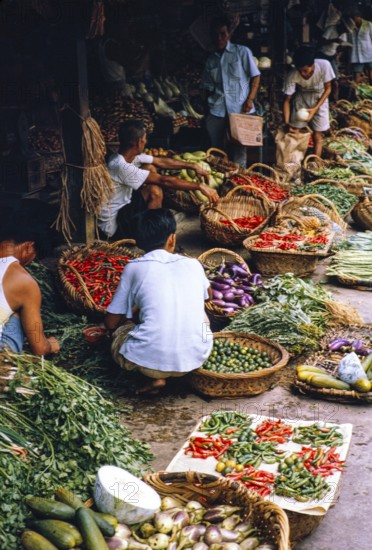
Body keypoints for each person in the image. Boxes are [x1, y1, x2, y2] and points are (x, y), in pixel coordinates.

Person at [104, 208, 213, 395]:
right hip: (198, 356)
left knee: (122, 329)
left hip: (147, 362)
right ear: (172, 239)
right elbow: (208, 296)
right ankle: (182, 366)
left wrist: (128, 319)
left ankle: (154, 376)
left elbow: (111, 322)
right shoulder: (193, 264)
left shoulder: (134, 268)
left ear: (138, 243)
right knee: (204, 320)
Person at [97, 120, 218, 239]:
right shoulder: (120, 166)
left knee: (149, 167)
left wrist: (192, 165)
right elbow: (163, 180)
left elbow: (160, 161)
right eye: (145, 138)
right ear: (139, 142)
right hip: (114, 226)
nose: (146, 141)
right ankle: (154, 235)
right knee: (154, 190)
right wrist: (199, 186)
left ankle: (150, 221)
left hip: (124, 209)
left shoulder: (125, 156)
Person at [200, 16, 261, 168]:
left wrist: (250, 100)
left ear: (229, 34)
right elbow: (207, 86)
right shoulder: (211, 60)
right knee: (215, 147)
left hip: (240, 107)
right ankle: (219, 175)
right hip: (217, 109)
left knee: (239, 148)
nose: (219, 38)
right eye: (216, 35)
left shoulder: (242, 52)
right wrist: (205, 107)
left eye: (223, 34)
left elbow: (256, 76)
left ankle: (239, 177)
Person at [0, 216, 60, 355]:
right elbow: (40, 349)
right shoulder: (23, 280)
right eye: (34, 256)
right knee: (15, 313)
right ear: (28, 247)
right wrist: (51, 345)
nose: (30, 262)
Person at [283, 46, 335, 157]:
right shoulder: (292, 75)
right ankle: (295, 162)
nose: (303, 74)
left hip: (320, 97)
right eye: (300, 71)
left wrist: (315, 109)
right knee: (296, 131)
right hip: (302, 98)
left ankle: (316, 162)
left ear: (313, 64)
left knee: (318, 133)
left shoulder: (324, 65)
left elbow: (328, 89)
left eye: (306, 70)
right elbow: (287, 100)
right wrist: (287, 122)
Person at [346, 5, 372, 84]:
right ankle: (357, 95)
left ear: (358, 17)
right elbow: (348, 42)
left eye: (354, 18)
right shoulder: (350, 26)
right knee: (356, 77)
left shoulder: (369, 25)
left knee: (371, 74)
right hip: (356, 55)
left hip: (369, 54)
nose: (353, 20)